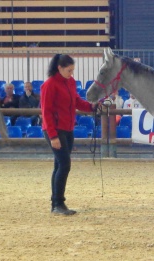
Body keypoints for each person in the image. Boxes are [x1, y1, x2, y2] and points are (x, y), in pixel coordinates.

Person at [41, 53, 98, 215]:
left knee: (59, 165)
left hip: (67, 128)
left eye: (72, 71)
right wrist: (53, 136)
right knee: (64, 165)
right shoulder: (49, 85)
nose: (71, 74)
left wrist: (92, 107)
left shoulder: (70, 82)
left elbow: (76, 101)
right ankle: (58, 203)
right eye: (69, 70)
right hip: (55, 130)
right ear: (59, 68)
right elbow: (46, 112)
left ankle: (56, 203)